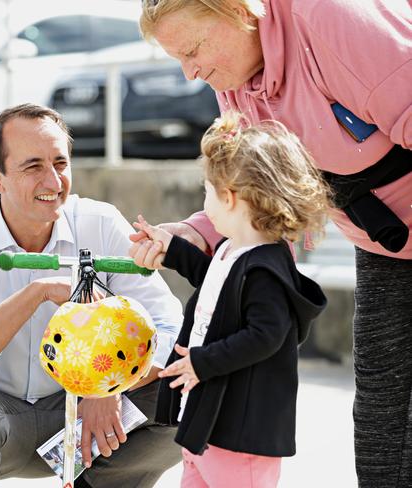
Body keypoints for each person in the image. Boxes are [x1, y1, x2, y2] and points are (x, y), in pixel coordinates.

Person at [137, 1, 412, 485]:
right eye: (178, 58)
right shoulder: (236, 78)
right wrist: (189, 235)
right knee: (381, 411)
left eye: (194, 49)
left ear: (236, 9)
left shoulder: (330, 19)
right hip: (384, 244)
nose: (190, 73)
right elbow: (244, 194)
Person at [0, 103, 183, 488]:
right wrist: (37, 293)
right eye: (33, 167)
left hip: (80, 416)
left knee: (191, 395)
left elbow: (169, 326)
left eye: (60, 163)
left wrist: (105, 384)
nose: (54, 182)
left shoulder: (100, 222)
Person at [129, 111, 329, 487]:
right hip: (208, 423)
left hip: (241, 435)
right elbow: (215, 285)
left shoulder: (268, 266)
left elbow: (266, 334)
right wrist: (172, 250)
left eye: (207, 191)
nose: (204, 204)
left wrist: (203, 363)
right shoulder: (230, 251)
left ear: (231, 198)